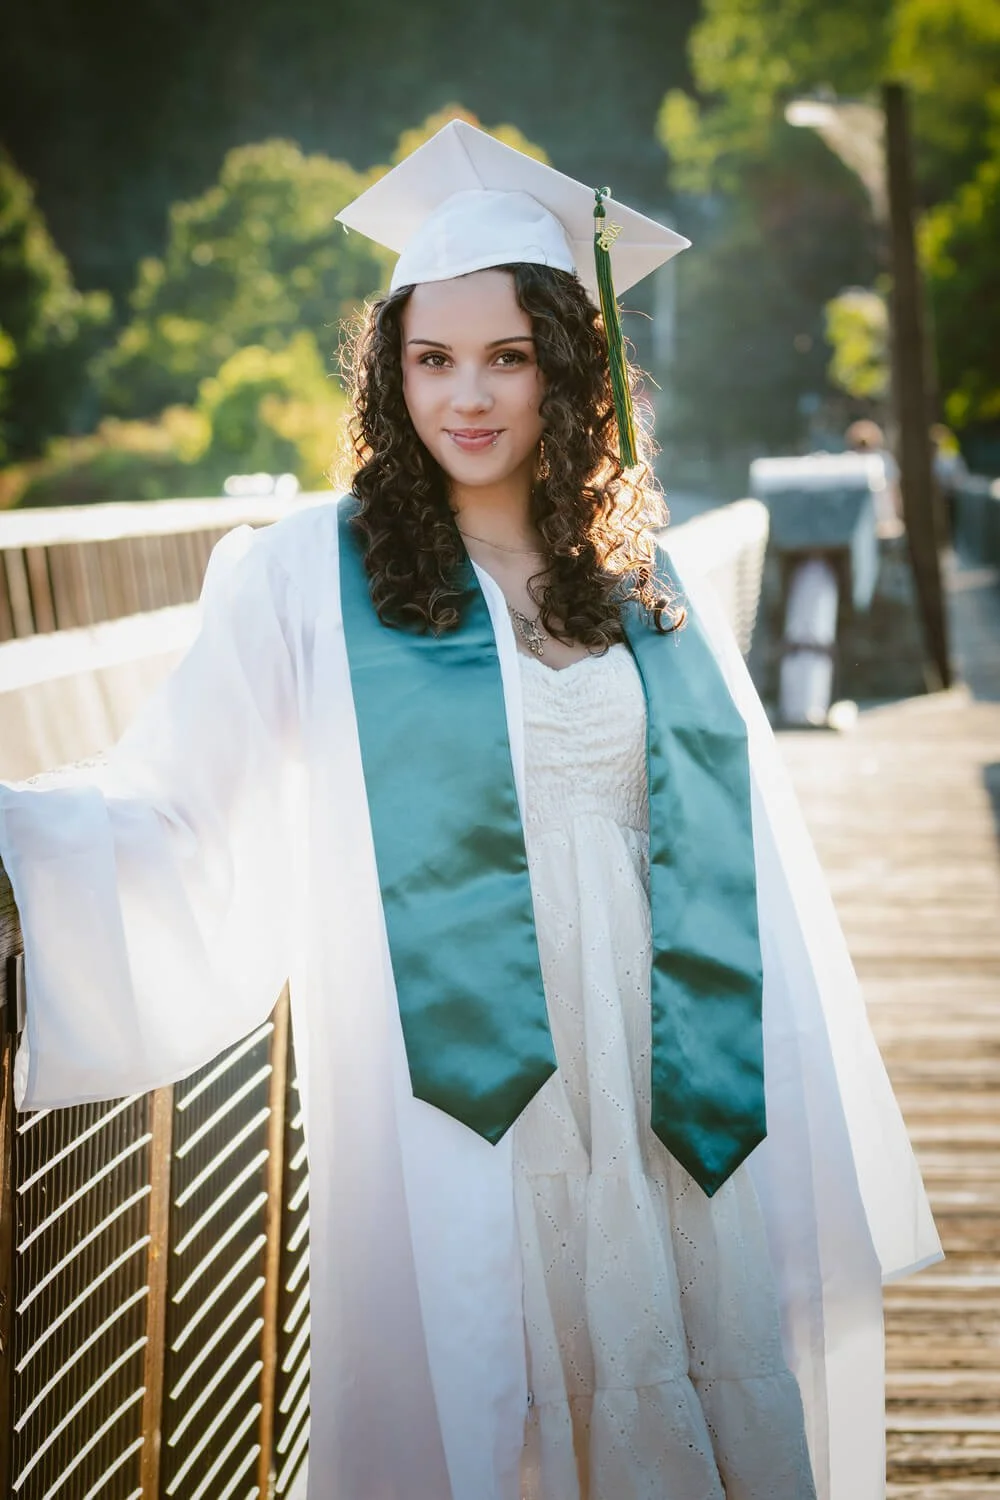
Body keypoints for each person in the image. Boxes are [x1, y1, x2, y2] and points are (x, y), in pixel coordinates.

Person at [0, 121, 939, 1500]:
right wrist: (24, 853)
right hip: (479, 1106)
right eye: (433, 360)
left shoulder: (646, 584)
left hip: (662, 1078)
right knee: (498, 1389)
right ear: (391, 373)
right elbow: (174, 807)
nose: (470, 397)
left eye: (508, 355)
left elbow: (765, 880)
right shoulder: (311, 576)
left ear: (570, 363)